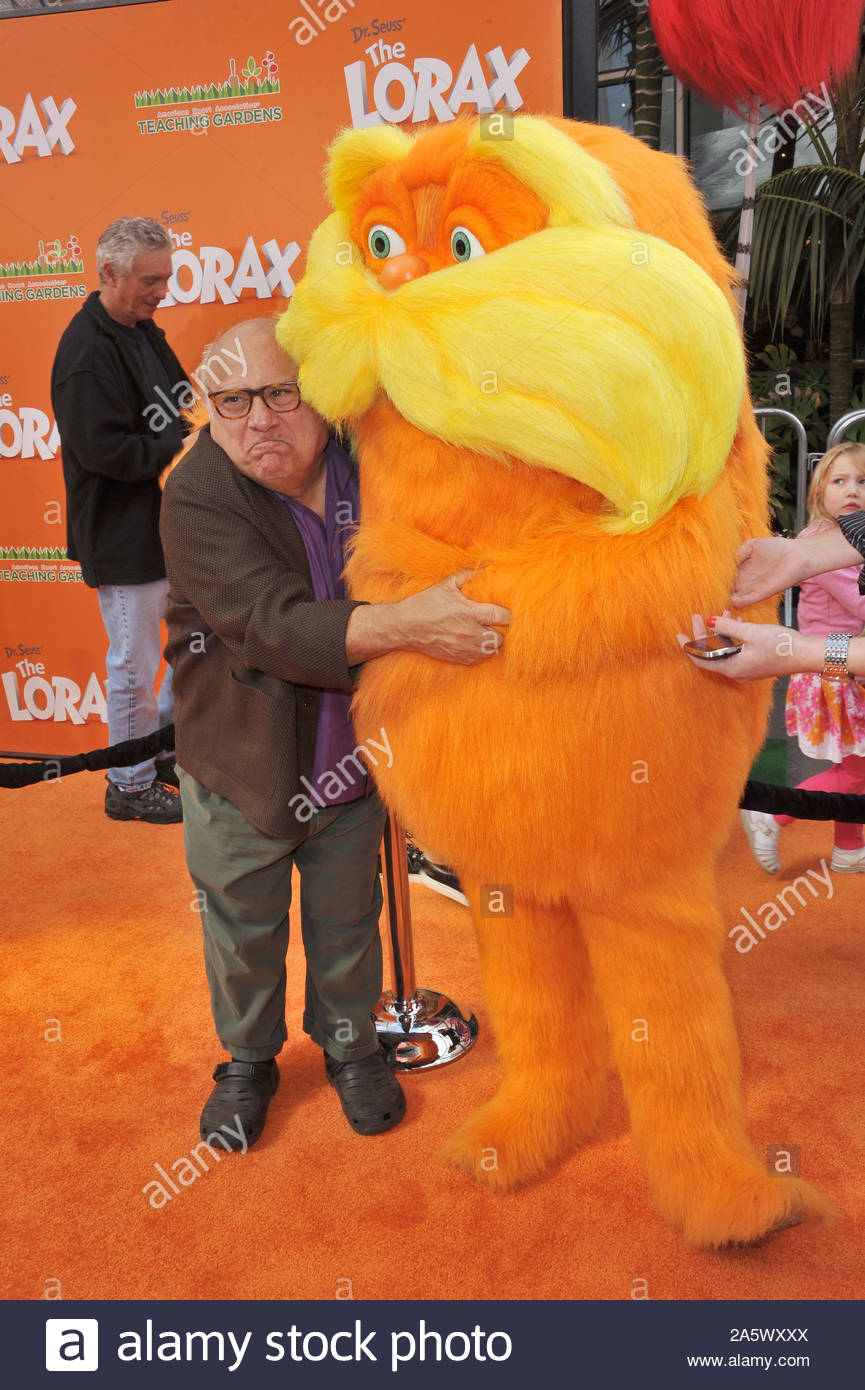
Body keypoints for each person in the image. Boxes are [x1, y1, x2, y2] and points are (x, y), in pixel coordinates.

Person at [159, 318, 509, 1150]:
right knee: (242, 924)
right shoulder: (197, 492)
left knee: (348, 918)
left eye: (280, 394)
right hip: (242, 759)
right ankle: (247, 1060)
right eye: (232, 401)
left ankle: (352, 1048)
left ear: (321, 395)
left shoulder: (368, 459)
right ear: (208, 408)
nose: (259, 421)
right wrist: (412, 624)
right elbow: (269, 625)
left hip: (352, 758)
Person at [51, 216, 187, 824]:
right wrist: (182, 448)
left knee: (190, 647)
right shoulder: (83, 351)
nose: (164, 290)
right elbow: (107, 452)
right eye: (151, 279)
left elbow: (184, 399)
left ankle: (155, 748)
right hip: (120, 534)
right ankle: (126, 784)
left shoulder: (143, 328)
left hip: (166, 526)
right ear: (109, 273)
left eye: (167, 276)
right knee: (134, 661)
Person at [735, 445, 865, 874]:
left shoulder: (847, 540)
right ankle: (772, 815)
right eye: (840, 481)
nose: (853, 492)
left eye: (863, 482)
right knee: (853, 771)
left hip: (845, 669)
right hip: (835, 672)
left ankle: (849, 848)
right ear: (818, 492)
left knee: (854, 767)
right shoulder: (825, 544)